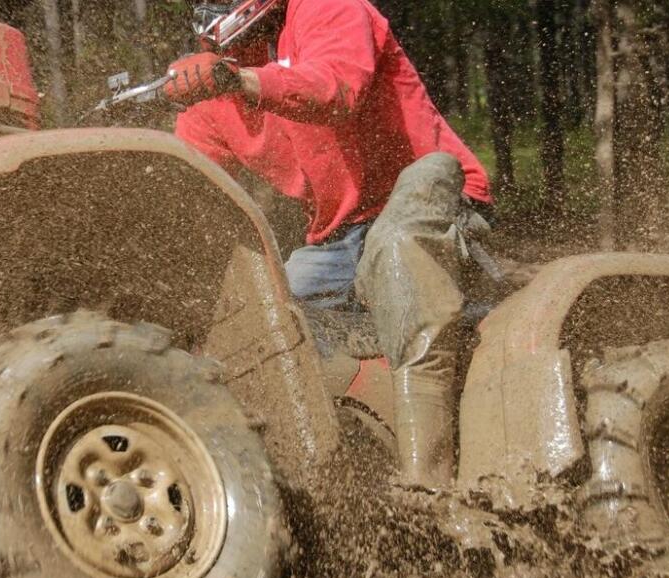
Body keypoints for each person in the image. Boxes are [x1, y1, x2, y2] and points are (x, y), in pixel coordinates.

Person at [164, 0, 493, 489]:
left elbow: (335, 87)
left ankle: (432, 482)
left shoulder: (328, 7)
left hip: (433, 199)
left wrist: (241, 80)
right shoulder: (211, 89)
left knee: (398, 251)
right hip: (337, 240)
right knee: (272, 316)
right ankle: (335, 456)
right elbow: (187, 192)